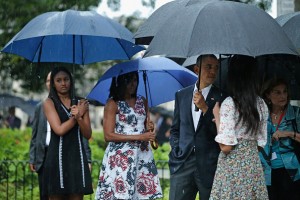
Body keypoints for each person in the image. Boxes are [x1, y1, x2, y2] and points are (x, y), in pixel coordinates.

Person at [94, 71, 163, 200]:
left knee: (141, 195)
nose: (132, 84)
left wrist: (149, 128)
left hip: (142, 155)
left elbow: (144, 128)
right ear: (120, 82)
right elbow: (108, 136)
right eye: (128, 80)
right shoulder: (112, 103)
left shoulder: (142, 100)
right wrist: (138, 137)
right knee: (121, 195)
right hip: (121, 158)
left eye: (135, 80)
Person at [210, 55, 269, 199]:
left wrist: (217, 117)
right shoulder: (261, 104)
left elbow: (226, 147)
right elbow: (260, 143)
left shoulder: (230, 104)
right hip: (253, 166)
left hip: (232, 168)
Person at [169, 54, 227, 200]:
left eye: (216, 67)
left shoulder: (223, 97)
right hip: (183, 161)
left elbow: (223, 132)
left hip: (209, 164)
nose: (213, 71)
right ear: (196, 69)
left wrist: (205, 108)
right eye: (208, 67)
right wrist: (177, 150)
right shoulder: (181, 95)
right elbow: (175, 129)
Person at [28, 72, 93, 199]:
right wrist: (76, 117)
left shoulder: (81, 102)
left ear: (71, 81)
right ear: (53, 83)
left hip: (76, 157)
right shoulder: (49, 103)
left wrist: (79, 116)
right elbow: (59, 130)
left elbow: (87, 133)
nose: (63, 83)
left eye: (66, 79)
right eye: (58, 80)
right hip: (56, 157)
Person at [260, 77, 300, 200]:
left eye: (285, 91)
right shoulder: (261, 114)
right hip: (266, 171)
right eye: (277, 92)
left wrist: (287, 133)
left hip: (290, 170)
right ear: (268, 95)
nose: (283, 96)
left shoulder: (296, 113)